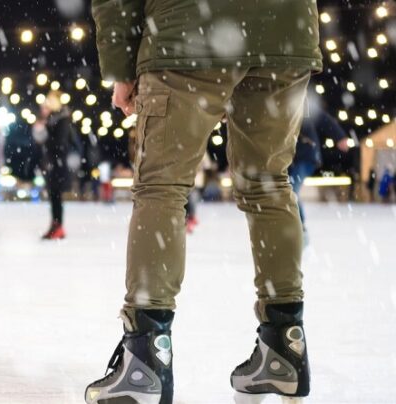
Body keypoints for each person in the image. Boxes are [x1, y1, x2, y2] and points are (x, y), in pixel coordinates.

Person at [86, 1, 322, 402]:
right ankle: (285, 344)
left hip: (188, 32)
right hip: (285, 29)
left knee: (161, 188)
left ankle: (147, 356)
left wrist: (120, 68)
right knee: (269, 184)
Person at [291, 107, 349, 245]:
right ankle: (290, 228)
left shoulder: (296, 100)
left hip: (305, 155)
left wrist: (339, 136)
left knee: (290, 190)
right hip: (288, 158)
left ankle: (301, 230)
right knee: (285, 190)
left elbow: (321, 117)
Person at [33, 91, 79, 240]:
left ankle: (57, 227)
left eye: (49, 101)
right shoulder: (53, 119)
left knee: (56, 196)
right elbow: (42, 141)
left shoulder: (62, 119)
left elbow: (59, 143)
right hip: (53, 163)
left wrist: (45, 130)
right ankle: (56, 225)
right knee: (54, 196)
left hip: (59, 163)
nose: (46, 104)